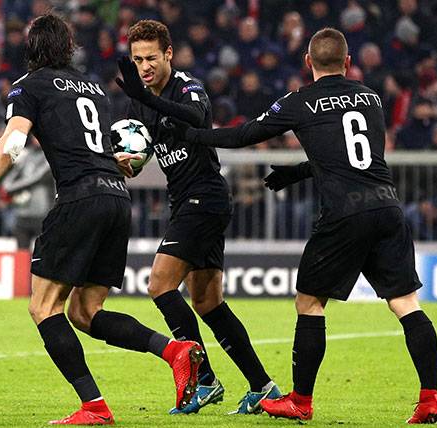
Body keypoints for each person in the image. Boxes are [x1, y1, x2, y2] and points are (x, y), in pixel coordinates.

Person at [163, 28, 437, 424]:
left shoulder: (301, 101)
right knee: (406, 304)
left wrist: (191, 134)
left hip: (344, 214)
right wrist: (298, 172)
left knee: (309, 303)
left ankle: (300, 401)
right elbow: (355, 157)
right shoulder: (371, 98)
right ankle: (430, 399)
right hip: (386, 207)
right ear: (348, 62)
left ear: (308, 62)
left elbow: (244, 134)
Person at [0, 14, 203, 425]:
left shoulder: (29, 86)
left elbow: (13, 143)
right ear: (67, 47)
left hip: (80, 199)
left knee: (43, 307)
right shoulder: (93, 88)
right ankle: (175, 351)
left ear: (31, 48)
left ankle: (94, 406)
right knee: (85, 311)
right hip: (116, 198)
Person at [115, 19, 281, 415]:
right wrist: (126, 161)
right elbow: (141, 154)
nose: (144, 67)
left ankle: (204, 380)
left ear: (169, 54)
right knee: (208, 303)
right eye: (137, 60)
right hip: (185, 201)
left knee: (159, 285)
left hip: (204, 199)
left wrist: (147, 98)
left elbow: (193, 116)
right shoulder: (140, 101)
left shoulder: (188, 86)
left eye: (151, 58)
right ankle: (264, 388)